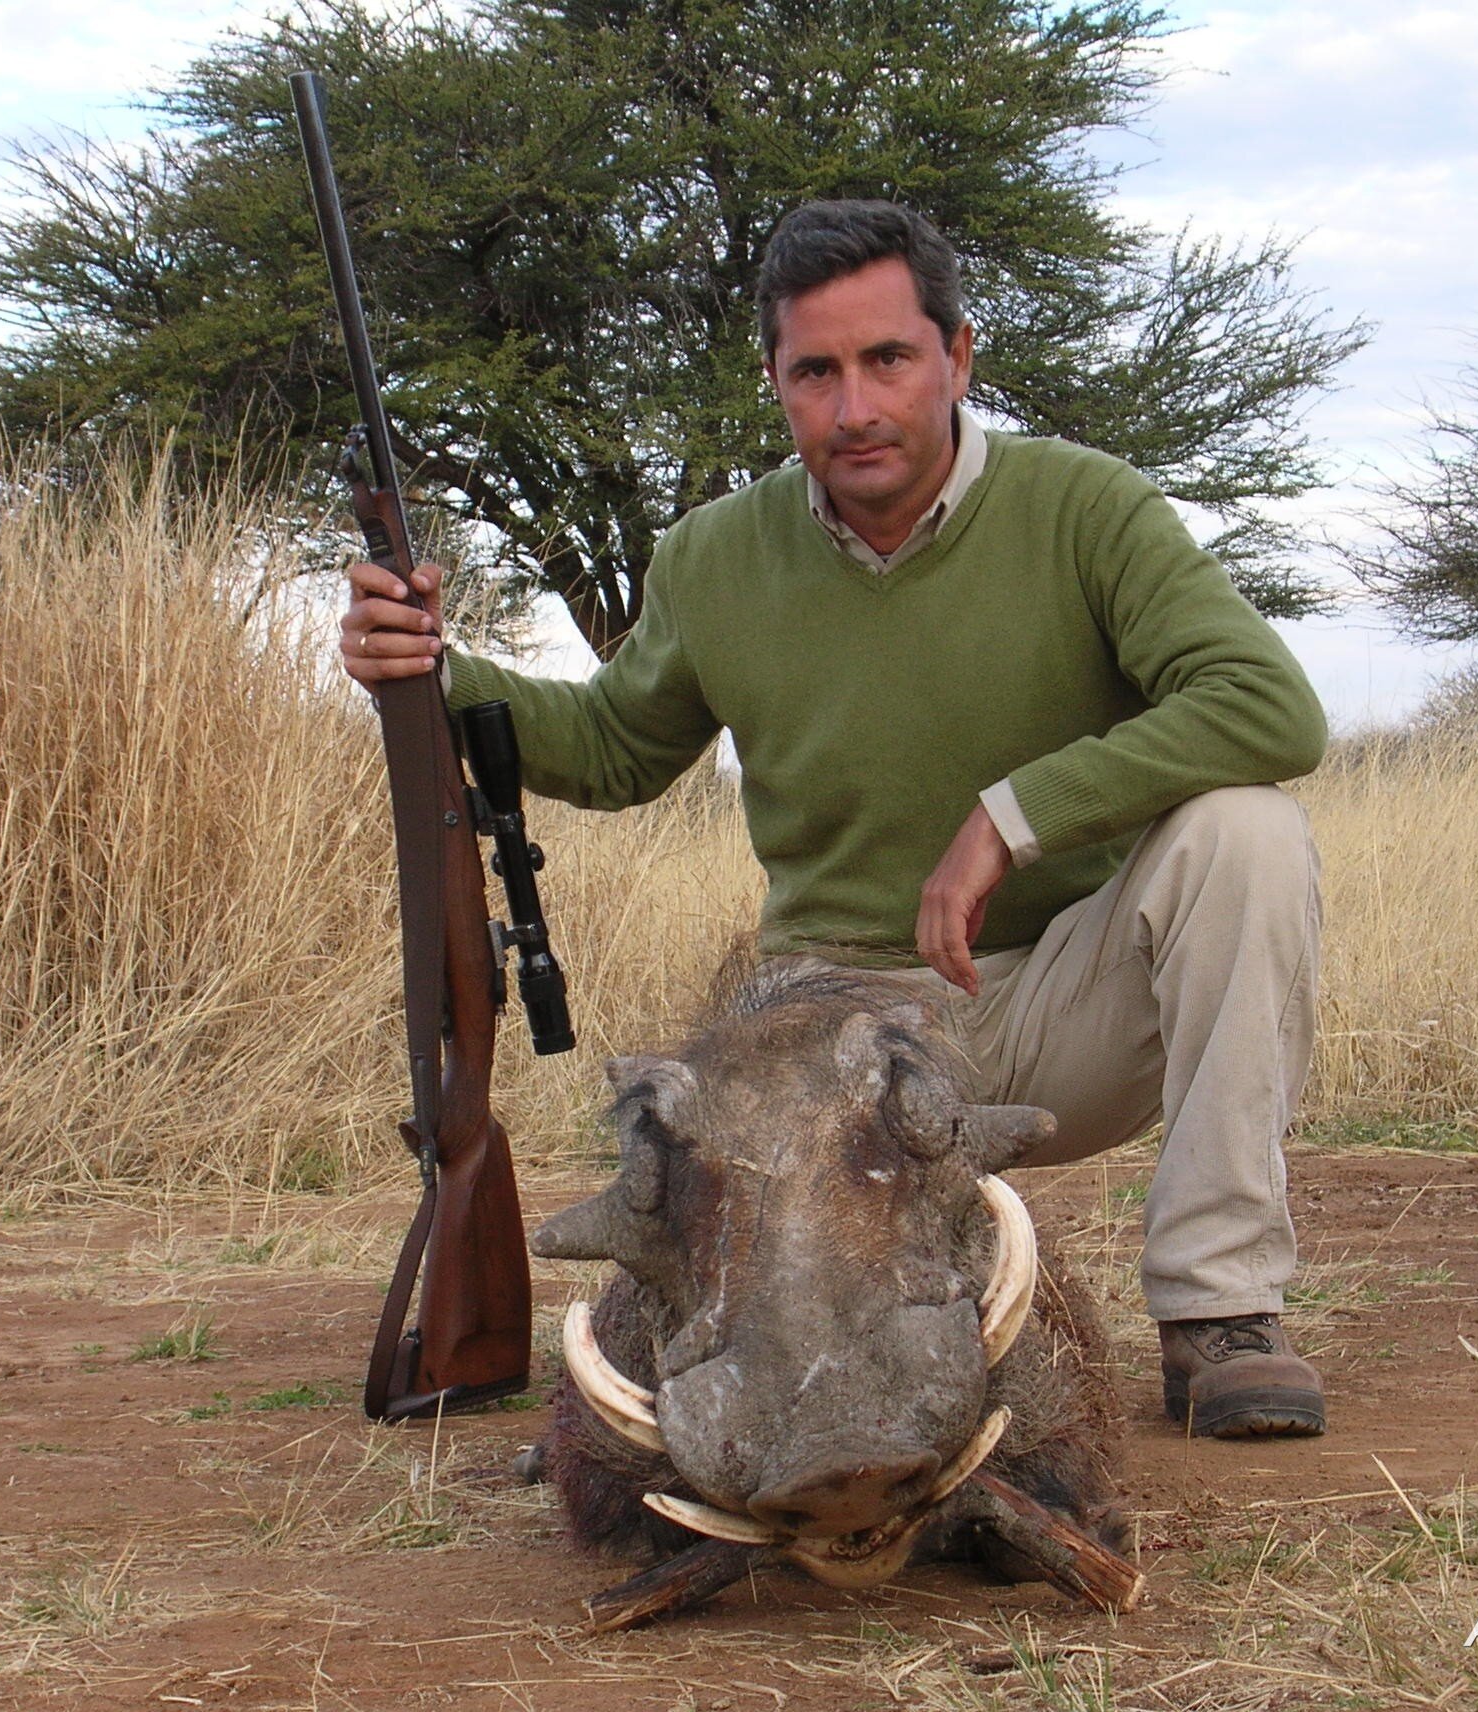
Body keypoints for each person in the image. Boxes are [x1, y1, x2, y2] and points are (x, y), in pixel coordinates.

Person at [341, 200, 1330, 1438]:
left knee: (1246, 831)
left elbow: (1268, 707)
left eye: (887, 360)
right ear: (775, 383)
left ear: (957, 356)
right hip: (827, 1037)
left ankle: (1219, 1312)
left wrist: (1008, 819)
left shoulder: (1089, 507)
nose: (853, 407)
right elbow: (609, 746)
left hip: (1059, 1006)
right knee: (786, 1310)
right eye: (815, 371)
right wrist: (432, 666)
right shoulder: (710, 555)